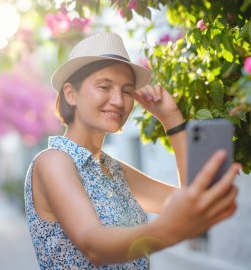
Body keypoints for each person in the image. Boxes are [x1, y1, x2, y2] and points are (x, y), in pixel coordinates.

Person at [24, 32, 239, 269]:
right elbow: (93, 244)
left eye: (126, 91)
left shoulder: (113, 170)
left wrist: (171, 119)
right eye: (104, 86)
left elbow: (192, 199)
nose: (118, 100)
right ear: (70, 94)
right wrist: (170, 229)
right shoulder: (53, 161)